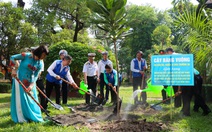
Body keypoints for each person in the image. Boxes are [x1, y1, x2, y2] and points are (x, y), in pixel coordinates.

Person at [10, 45, 49, 123]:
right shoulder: (26, 55)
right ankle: (22, 117)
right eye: (43, 55)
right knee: (21, 99)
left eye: (45, 56)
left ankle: (33, 116)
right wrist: (14, 69)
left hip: (30, 82)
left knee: (32, 100)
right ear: (39, 52)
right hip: (20, 80)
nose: (43, 57)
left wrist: (31, 85)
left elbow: (35, 75)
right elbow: (12, 57)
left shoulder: (40, 63)